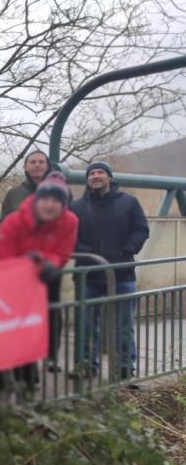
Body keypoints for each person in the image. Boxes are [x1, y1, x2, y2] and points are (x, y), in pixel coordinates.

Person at [0, 172, 78, 387]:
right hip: (12, 281)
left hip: (44, 277)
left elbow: (63, 252)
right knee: (14, 327)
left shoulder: (69, 221)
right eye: (45, 200)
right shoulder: (14, 221)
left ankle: (30, 377)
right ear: (37, 200)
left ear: (63, 204)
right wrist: (26, 264)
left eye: (56, 201)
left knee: (39, 323)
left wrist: (47, 262)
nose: (50, 205)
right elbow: (1, 257)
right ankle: (9, 376)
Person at [70, 161, 149, 380]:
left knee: (123, 325)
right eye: (92, 173)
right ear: (87, 179)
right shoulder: (76, 207)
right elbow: (69, 236)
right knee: (86, 324)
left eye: (100, 172)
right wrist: (86, 253)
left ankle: (124, 367)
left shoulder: (129, 203)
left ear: (110, 178)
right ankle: (86, 365)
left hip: (121, 272)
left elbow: (141, 229)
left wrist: (127, 250)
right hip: (88, 274)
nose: (95, 176)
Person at [0, 150, 51, 223]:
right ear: (25, 167)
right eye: (33, 162)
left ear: (47, 167)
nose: (37, 165)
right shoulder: (13, 193)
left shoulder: (60, 192)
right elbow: (2, 224)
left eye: (41, 162)